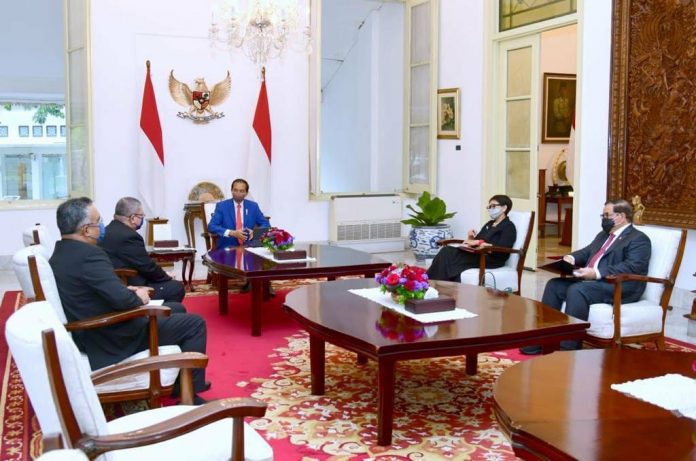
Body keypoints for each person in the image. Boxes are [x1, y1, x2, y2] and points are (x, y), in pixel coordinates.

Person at [49, 197, 209, 403]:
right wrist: (138, 295)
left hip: (91, 330)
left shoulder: (61, 252)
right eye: (99, 221)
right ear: (87, 230)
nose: (102, 226)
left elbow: (98, 288)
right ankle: (190, 396)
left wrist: (127, 289)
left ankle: (180, 382)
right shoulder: (90, 255)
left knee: (176, 308)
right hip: (112, 336)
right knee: (195, 323)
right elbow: (125, 302)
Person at [520, 198, 651, 354]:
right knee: (554, 285)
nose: (603, 219)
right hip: (594, 283)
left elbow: (633, 266)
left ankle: (568, 346)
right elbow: (587, 251)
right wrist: (570, 258)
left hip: (619, 286)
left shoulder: (638, 239)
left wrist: (596, 273)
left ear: (621, 216)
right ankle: (544, 338)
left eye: (606, 215)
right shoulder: (604, 235)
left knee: (577, 290)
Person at [100, 197, 185, 304]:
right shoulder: (129, 236)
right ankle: (157, 317)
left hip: (115, 282)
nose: (142, 219)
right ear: (133, 218)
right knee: (176, 288)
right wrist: (167, 277)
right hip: (129, 284)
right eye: (142, 216)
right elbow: (147, 267)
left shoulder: (108, 230)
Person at [427, 195, 517, 282]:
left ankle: (430, 283)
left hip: (491, 259)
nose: (490, 209)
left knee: (448, 253)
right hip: (478, 253)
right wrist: (470, 237)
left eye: (493, 206)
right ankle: (436, 283)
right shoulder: (489, 224)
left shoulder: (508, 227)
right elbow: (475, 241)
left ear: (504, 208)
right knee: (447, 251)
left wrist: (481, 243)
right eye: (489, 207)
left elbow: (503, 249)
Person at [208, 178, 270, 248]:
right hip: (228, 247)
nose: (238, 193)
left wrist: (255, 232)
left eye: (241, 191)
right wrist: (231, 233)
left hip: (249, 247)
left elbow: (266, 224)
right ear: (232, 191)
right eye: (235, 190)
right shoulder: (222, 206)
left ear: (246, 193)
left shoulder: (253, 206)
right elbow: (211, 226)